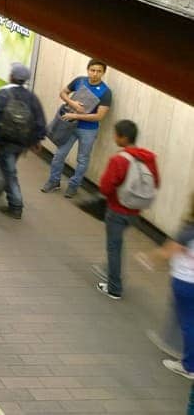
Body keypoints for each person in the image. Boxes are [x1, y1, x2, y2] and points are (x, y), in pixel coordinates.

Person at [90, 120, 160, 300]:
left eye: (116, 134)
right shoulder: (148, 158)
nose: (114, 137)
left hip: (117, 210)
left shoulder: (119, 159)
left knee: (114, 247)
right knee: (118, 243)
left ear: (123, 137)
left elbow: (106, 188)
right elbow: (156, 183)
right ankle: (110, 270)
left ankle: (114, 287)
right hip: (136, 212)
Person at [141, 195, 194, 381]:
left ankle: (189, 366)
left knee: (188, 323)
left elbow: (167, 252)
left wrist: (149, 258)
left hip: (186, 282)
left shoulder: (188, 231)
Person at [42, 59, 114, 198]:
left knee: (82, 160)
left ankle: (73, 186)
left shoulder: (106, 92)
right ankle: (54, 181)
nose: (95, 74)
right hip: (69, 126)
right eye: (92, 70)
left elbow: (99, 116)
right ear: (88, 70)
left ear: (103, 73)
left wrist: (75, 115)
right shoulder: (80, 81)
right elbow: (63, 93)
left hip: (88, 130)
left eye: (99, 71)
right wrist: (72, 103)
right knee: (59, 155)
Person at [0, 63, 47, 220]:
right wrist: (37, 140)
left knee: (9, 172)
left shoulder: (2, 94)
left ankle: (16, 205)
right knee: (8, 167)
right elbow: (40, 121)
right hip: (22, 143)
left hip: (4, 141)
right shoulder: (32, 98)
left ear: (11, 76)